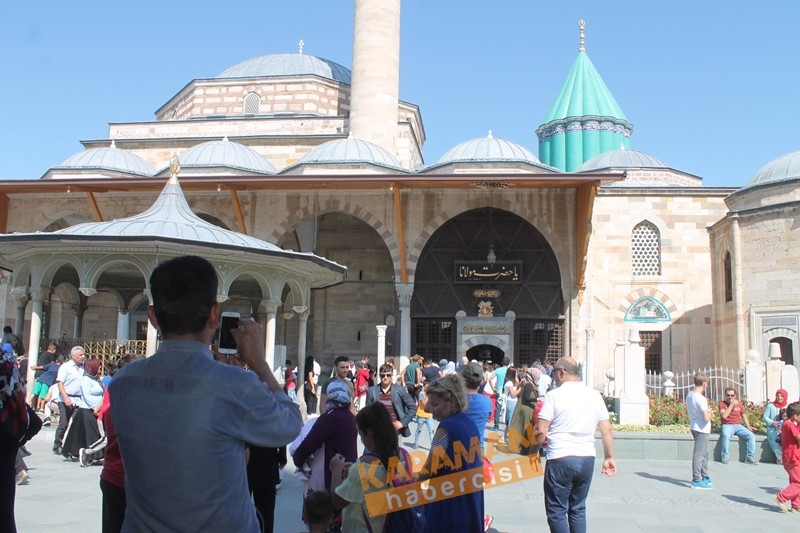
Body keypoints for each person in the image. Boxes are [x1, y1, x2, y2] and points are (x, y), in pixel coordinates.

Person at [110, 255, 302, 532]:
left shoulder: (123, 383)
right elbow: (289, 424)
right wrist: (259, 364)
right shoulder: (234, 384)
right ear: (215, 315)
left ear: (152, 317)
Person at [536, 356, 616, 533]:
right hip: (587, 457)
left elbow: (541, 429)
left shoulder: (554, 395)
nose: (553, 376)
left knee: (557, 510)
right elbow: (606, 429)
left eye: (555, 371)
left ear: (562, 372)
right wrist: (609, 457)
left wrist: (536, 447)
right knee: (578, 508)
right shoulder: (594, 395)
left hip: (560, 457)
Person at [331, 402, 414, 532]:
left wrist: (336, 471)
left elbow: (336, 502)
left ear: (368, 433)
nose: (362, 440)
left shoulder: (362, 468)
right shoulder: (404, 455)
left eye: (360, 434)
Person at [418, 374, 484, 532]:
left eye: (435, 404)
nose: (430, 410)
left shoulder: (446, 429)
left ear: (452, 402)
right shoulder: (470, 425)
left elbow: (429, 469)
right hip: (470, 503)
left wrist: (405, 481)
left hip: (449, 508)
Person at [292, 380, 358, 531]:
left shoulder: (331, 418)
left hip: (331, 477)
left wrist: (298, 460)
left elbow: (308, 444)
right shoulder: (348, 417)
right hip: (346, 475)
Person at [62, 358, 104, 461]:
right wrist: (96, 408)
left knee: (86, 433)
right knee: (91, 433)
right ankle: (93, 455)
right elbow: (87, 396)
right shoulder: (85, 380)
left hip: (95, 409)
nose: (100, 369)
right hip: (87, 410)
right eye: (98, 367)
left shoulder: (95, 379)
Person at [365, 363, 416, 438]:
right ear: (379, 375)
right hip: (377, 431)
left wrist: (402, 423)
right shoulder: (371, 391)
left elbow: (413, 407)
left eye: (388, 375)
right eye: (383, 375)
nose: (385, 378)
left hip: (395, 431)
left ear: (392, 375)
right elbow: (368, 411)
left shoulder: (400, 390)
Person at [53, 346, 85, 455]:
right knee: (64, 423)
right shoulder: (65, 367)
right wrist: (66, 397)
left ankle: (72, 445)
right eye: (80, 355)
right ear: (73, 356)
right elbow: (60, 383)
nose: (83, 357)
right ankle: (57, 444)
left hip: (78, 399)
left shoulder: (83, 367)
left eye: (83, 354)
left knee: (76, 424)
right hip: (65, 399)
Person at [686, 372, 713, 489]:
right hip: (702, 428)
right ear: (705, 384)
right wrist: (710, 413)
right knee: (699, 454)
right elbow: (706, 418)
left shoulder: (690, 395)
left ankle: (705, 476)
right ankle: (696, 479)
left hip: (694, 425)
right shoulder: (701, 399)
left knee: (704, 453)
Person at [718, 387, 758, 464]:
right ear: (725, 395)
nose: (730, 397)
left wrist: (748, 426)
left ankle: (750, 457)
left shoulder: (739, 404)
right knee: (726, 435)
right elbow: (724, 416)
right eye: (728, 395)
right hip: (727, 425)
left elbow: (743, 415)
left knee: (751, 435)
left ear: (735, 396)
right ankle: (725, 456)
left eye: (732, 395)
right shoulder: (722, 404)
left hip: (738, 425)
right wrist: (731, 405)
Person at [508, 366, 541, 455]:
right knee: (526, 428)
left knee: (520, 427)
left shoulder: (524, 382)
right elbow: (527, 397)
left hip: (522, 407)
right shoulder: (529, 385)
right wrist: (537, 399)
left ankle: (518, 447)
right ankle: (524, 449)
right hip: (527, 409)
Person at [774, 401, 800, 512]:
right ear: (795, 416)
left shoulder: (787, 424)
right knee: (798, 483)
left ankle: (795, 505)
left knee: (794, 482)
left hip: (790, 458)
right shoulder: (789, 424)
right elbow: (798, 438)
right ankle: (781, 497)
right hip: (793, 458)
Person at [28, 347, 60, 413]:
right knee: (42, 395)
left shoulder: (51, 364)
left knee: (34, 392)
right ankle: (39, 408)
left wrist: (34, 367)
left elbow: (42, 367)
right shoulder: (60, 368)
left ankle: (27, 403)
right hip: (47, 382)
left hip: (41, 378)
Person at [764, 388, 789, 464]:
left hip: (786, 428)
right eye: (778, 396)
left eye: (782, 396)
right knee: (776, 440)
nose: (779, 398)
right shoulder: (771, 406)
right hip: (773, 429)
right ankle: (779, 458)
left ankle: (787, 458)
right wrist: (772, 422)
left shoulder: (788, 406)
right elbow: (765, 417)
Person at [503, 367, 522, 445]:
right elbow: (513, 394)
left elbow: (518, 383)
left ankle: (504, 438)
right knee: (511, 421)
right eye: (515, 373)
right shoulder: (509, 383)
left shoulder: (512, 382)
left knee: (510, 421)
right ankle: (511, 440)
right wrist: (521, 389)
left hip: (513, 402)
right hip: (511, 402)